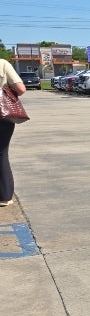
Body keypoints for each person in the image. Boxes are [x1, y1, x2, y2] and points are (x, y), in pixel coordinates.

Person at [1, 58, 27, 206]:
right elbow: (21, 89)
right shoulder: (2, 64)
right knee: (1, 154)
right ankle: (4, 196)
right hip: (2, 115)